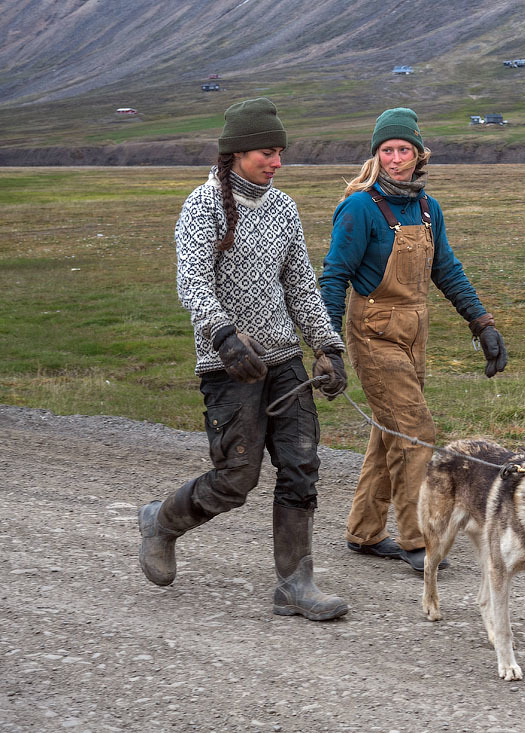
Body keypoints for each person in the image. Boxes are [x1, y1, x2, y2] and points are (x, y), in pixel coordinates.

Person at [138, 98, 350, 621]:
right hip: (228, 364)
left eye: (280, 152)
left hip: (284, 363)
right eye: (266, 152)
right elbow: (193, 282)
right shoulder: (203, 204)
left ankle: (294, 584)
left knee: (301, 467)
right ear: (236, 153)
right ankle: (162, 522)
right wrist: (225, 336)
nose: (276, 162)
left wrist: (328, 346)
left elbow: (300, 285)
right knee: (236, 478)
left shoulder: (284, 209)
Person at [319, 107, 507, 571]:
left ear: (419, 154)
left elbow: (446, 269)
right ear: (376, 155)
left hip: (415, 333)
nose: (396, 158)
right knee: (415, 431)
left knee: (390, 436)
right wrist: (327, 347)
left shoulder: (427, 207)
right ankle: (416, 539)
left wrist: (481, 323)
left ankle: (364, 534)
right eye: (387, 150)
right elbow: (333, 277)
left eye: (404, 149)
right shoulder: (360, 207)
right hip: (373, 333)